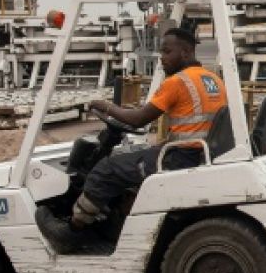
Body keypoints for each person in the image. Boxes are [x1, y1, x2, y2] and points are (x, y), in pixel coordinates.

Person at [72, 27, 228, 229]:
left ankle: (74, 229)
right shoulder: (213, 79)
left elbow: (138, 119)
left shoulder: (177, 82)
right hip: (200, 153)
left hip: (180, 158)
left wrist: (107, 107)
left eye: (167, 52)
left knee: (106, 169)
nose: (162, 58)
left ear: (186, 53)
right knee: (133, 158)